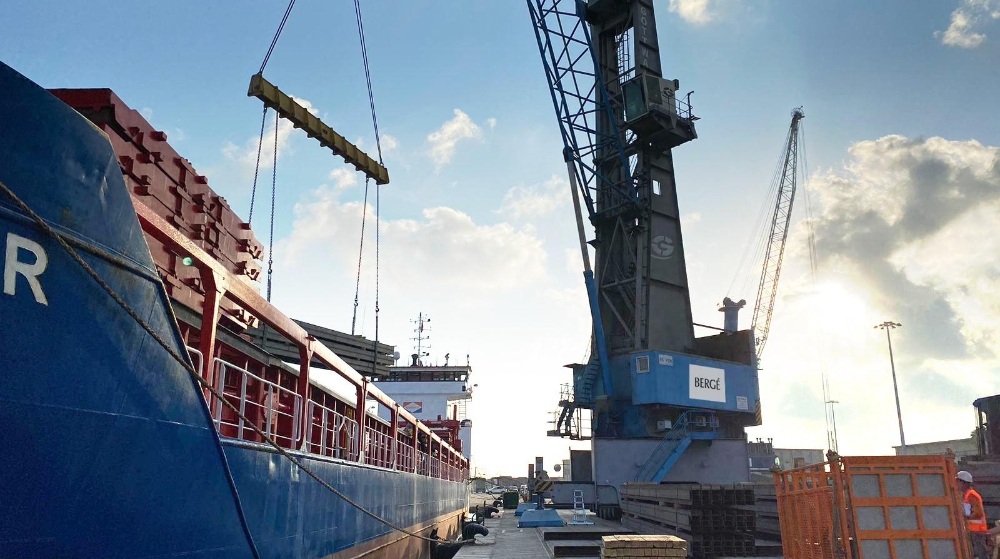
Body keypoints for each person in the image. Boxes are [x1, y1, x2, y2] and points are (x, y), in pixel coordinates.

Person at [958, 470, 989, 559]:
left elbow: (979, 514)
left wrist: (964, 517)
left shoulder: (972, 495)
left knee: (981, 554)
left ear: (964, 483)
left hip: (977, 531)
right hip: (971, 530)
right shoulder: (965, 495)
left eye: (958, 482)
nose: (957, 484)